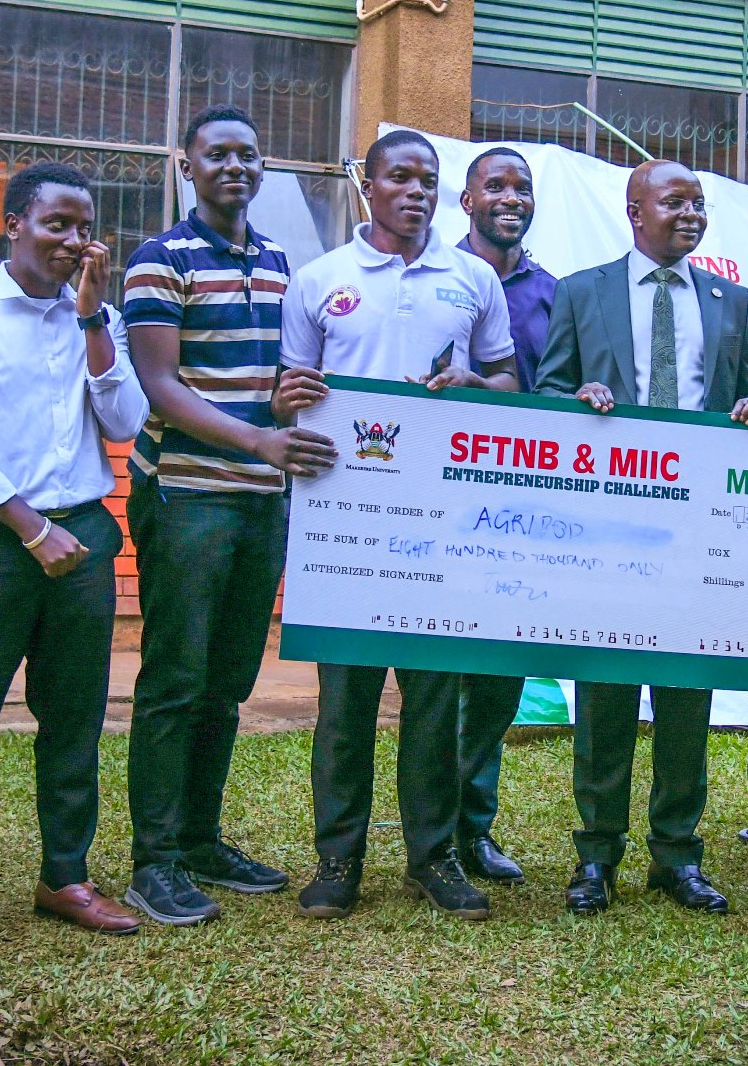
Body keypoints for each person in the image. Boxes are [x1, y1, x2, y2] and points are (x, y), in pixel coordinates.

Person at [0, 161, 150, 965]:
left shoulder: (96, 318)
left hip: (82, 536)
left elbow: (125, 422)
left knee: (74, 717)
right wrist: (30, 527)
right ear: (12, 224)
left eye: (85, 228)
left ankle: (65, 878)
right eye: (56, 224)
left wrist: (93, 319)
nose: (73, 240)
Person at [279, 129, 520, 921]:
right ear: (370, 187)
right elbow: (290, 388)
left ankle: (433, 857)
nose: (415, 191)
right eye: (400, 178)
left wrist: (472, 382)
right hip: (343, 522)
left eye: (427, 180)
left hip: (439, 521)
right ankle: (338, 860)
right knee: (345, 703)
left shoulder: (473, 278)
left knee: (434, 701)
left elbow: (507, 380)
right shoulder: (321, 280)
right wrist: (287, 402)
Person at [534, 158, 748, 917]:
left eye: (699, 203)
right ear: (635, 211)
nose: (691, 214)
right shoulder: (583, 292)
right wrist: (577, 397)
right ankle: (596, 855)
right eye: (676, 201)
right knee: (605, 694)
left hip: (698, 531)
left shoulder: (731, 300)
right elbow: (547, 391)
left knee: (686, 695)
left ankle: (677, 856)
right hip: (612, 528)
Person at [120, 105, 332, 927]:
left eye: (248, 154)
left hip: (260, 501)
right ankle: (154, 861)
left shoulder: (280, 264)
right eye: (218, 154)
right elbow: (160, 386)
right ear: (188, 165)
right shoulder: (159, 259)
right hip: (187, 496)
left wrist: (289, 405)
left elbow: (279, 377)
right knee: (176, 679)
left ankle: (201, 840)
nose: (235, 166)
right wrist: (259, 438)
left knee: (227, 681)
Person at [450, 145, 558, 887]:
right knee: (440, 678)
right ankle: (430, 825)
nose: (511, 198)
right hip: (441, 504)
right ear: (468, 201)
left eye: (522, 187)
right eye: (496, 185)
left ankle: (474, 828)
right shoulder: (434, 278)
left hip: (523, 510)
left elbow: (561, 390)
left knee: (498, 676)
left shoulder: (555, 293)